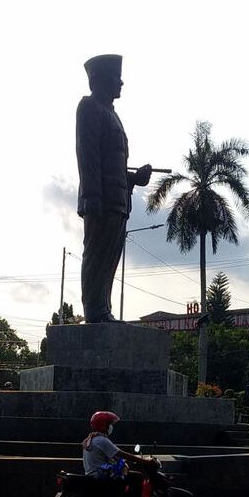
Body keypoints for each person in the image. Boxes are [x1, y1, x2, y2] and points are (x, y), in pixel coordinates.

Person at [75, 54, 152, 323]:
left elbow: (114, 164)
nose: (121, 83)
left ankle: (103, 308)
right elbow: (88, 155)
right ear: (100, 80)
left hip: (119, 201)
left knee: (109, 261)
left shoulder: (113, 115)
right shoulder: (89, 108)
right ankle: (94, 311)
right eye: (116, 78)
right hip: (100, 201)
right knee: (96, 257)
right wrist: (92, 196)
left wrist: (133, 180)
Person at [82, 410, 154, 497]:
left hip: (94, 475)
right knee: (136, 478)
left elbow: (113, 458)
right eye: (109, 424)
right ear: (104, 425)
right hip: (101, 477)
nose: (111, 427)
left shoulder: (90, 439)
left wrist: (122, 464)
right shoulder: (102, 441)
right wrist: (143, 461)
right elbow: (121, 454)